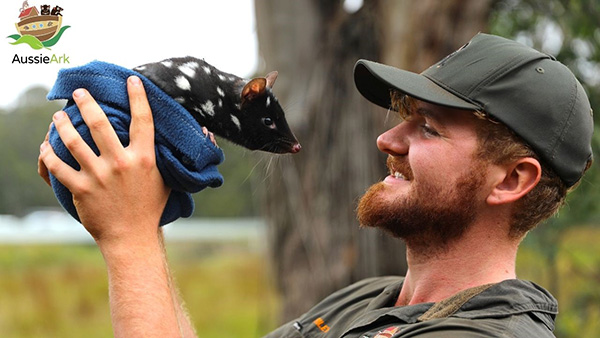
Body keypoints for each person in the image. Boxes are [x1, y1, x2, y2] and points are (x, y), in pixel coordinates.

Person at [38, 33, 593, 337]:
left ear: (513, 179)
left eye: (428, 127)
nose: (387, 140)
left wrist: (130, 237)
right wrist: (134, 210)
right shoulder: (362, 303)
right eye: (402, 116)